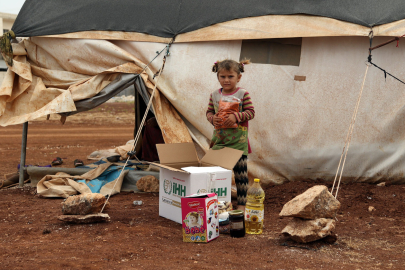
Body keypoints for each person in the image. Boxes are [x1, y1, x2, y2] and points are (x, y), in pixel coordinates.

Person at [206, 59, 255, 211]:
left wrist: (237, 116)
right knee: (217, 176)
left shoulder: (242, 94)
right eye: (223, 76)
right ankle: (219, 204)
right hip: (219, 142)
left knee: (240, 176)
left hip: (238, 144)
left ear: (238, 77)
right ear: (218, 77)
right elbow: (209, 112)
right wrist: (212, 118)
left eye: (230, 76)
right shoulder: (214, 95)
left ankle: (241, 205)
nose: (226, 80)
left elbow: (251, 112)